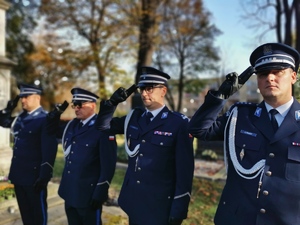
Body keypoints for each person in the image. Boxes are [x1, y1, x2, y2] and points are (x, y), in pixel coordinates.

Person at [188, 42, 300, 225]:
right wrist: (220, 97)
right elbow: (199, 129)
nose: (270, 78)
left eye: (278, 72)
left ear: (293, 76)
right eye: (263, 73)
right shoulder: (240, 116)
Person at [95, 66, 195, 225]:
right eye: (142, 89)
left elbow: (185, 170)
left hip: (160, 204)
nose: (144, 93)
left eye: (149, 89)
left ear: (163, 91)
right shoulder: (134, 118)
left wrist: (179, 207)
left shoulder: (178, 123)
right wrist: (112, 103)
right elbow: (102, 127)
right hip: (134, 200)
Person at [47, 87, 117, 225]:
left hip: (88, 194)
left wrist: (101, 191)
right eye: (74, 105)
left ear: (92, 105)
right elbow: (50, 131)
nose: (76, 108)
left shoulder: (102, 127)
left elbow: (108, 164)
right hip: (70, 190)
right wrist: (56, 113)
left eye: (80, 105)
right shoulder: (72, 125)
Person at [0, 83, 58, 225]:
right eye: (21, 97)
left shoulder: (46, 119)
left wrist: (44, 175)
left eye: (26, 97)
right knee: (26, 216)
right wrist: (8, 108)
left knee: (38, 217)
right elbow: (3, 122)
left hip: (34, 177)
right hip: (19, 175)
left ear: (37, 97)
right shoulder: (21, 117)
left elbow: (49, 150)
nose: (23, 100)